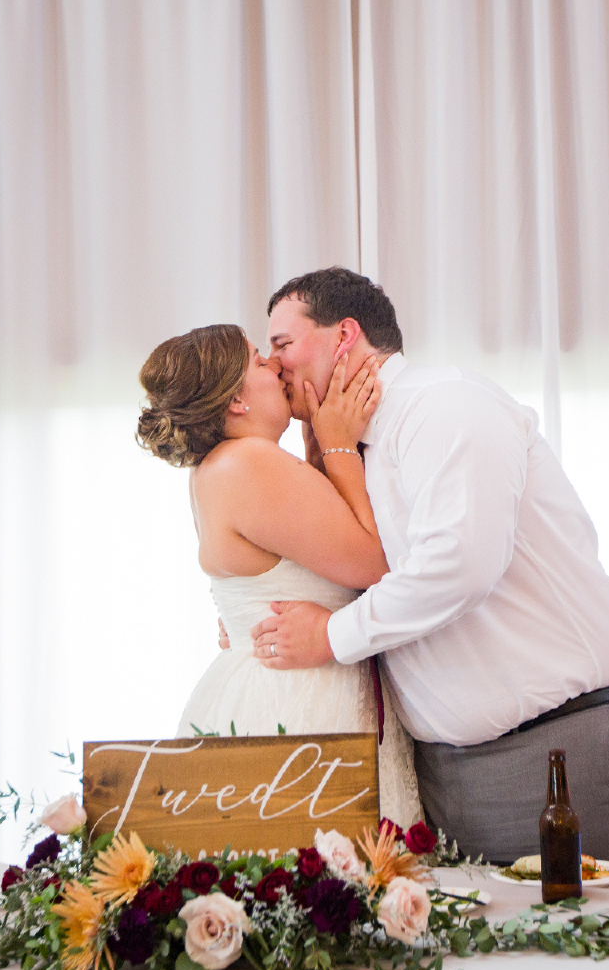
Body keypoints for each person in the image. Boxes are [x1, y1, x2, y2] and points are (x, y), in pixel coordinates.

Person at [251, 267, 609, 863]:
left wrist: (329, 635)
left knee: (587, 946)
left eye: (283, 345)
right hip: (447, 768)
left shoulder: (443, 406)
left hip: (554, 744)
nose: (274, 366)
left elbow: (460, 563)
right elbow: (367, 571)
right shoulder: (350, 447)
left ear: (344, 335)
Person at [136, 323, 422, 826]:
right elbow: (376, 564)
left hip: (275, 683)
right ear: (236, 402)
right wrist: (337, 445)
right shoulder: (248, 463)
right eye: (256, 360)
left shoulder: (222, 466)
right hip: (299, 701)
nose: (273, 364)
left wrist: (318, 449)